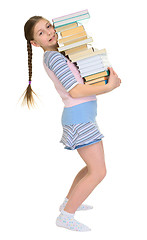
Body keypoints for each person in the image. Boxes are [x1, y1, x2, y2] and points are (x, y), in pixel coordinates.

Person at [21, 16, 121, 232]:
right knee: (99, 171)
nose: (48, 32)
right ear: (35, 43)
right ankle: (66, 216)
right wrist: (108, 87)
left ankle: (69, 202)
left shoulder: (56, 55)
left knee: (91, 168)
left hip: (81, 117)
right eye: (41, 33)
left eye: (48, 26)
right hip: (79, 120)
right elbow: (74, 90)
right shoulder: (54, 58)